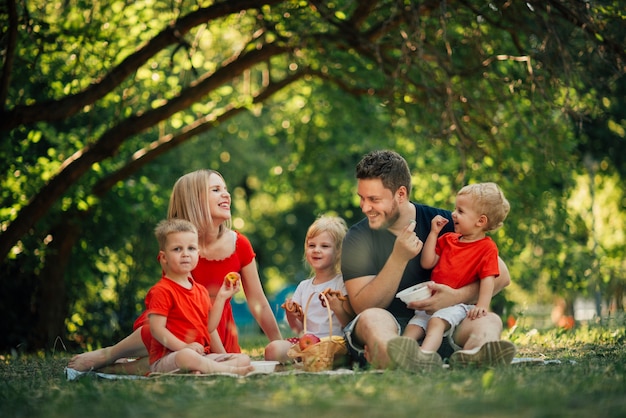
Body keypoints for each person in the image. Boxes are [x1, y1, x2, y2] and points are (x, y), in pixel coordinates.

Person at [68, 169, 282, 373]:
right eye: (216, 190)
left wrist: (279, 345)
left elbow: (259, 302)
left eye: (225, 189)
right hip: (177, 320)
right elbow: (173, 301)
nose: (226, 194)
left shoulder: (240, 244)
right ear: (194, 200)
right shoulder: (180, 247)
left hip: (215, 326)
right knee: (159, 334)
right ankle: (109, 355)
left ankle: (116, 369)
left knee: (181, 358)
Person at [340, 150, 516, 371]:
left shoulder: (447, 224)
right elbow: (363, 306)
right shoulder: (358, 238)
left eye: (374, 199)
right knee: (371, 319)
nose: (365, 207)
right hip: (391, 328)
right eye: (362, 198)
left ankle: (476, 354)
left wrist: (455, 296)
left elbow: (502, 275)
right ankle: (397, 356)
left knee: (490, 321)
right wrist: (398, 258)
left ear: (401, 194)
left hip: (444, 325)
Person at [392, 182, 510, 369]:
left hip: (457, 306)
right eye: (455, 208)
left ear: (480, 221)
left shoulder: (487, 248)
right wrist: (433, 233)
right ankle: (402, 352)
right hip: (433, 299)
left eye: (460, 211)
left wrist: (482, 305)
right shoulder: (448, 239)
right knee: (416, 325)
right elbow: (428, 262)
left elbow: (488, 278)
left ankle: (425, 356)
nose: (453, 214)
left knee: (436, 323)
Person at [146, 218, 253, 375]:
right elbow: (157, 330)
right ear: (163, 258)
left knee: (243, 358)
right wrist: (184, 347)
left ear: (198, 253)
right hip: (168, 358)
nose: (185, 254)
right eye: (177, 249)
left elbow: (210, 326)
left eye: (191, 248)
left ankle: (202, 370)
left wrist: (222, 297)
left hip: (200, 356)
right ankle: (229, 371)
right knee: (187, 356)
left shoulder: (200, 291)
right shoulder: (162, 290)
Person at [264, 215, 354, 363]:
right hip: (308, 343)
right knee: (272, 350)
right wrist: (291, 313)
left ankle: (312, 360)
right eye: (312, 245)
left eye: (324, 246)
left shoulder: (342, 283)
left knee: (334, 355)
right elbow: (299, 330)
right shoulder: (304, 287)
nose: (316, 250)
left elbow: (349, 324)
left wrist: (337, 307)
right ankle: (310, 359)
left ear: (338, 252)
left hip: (334, 344)